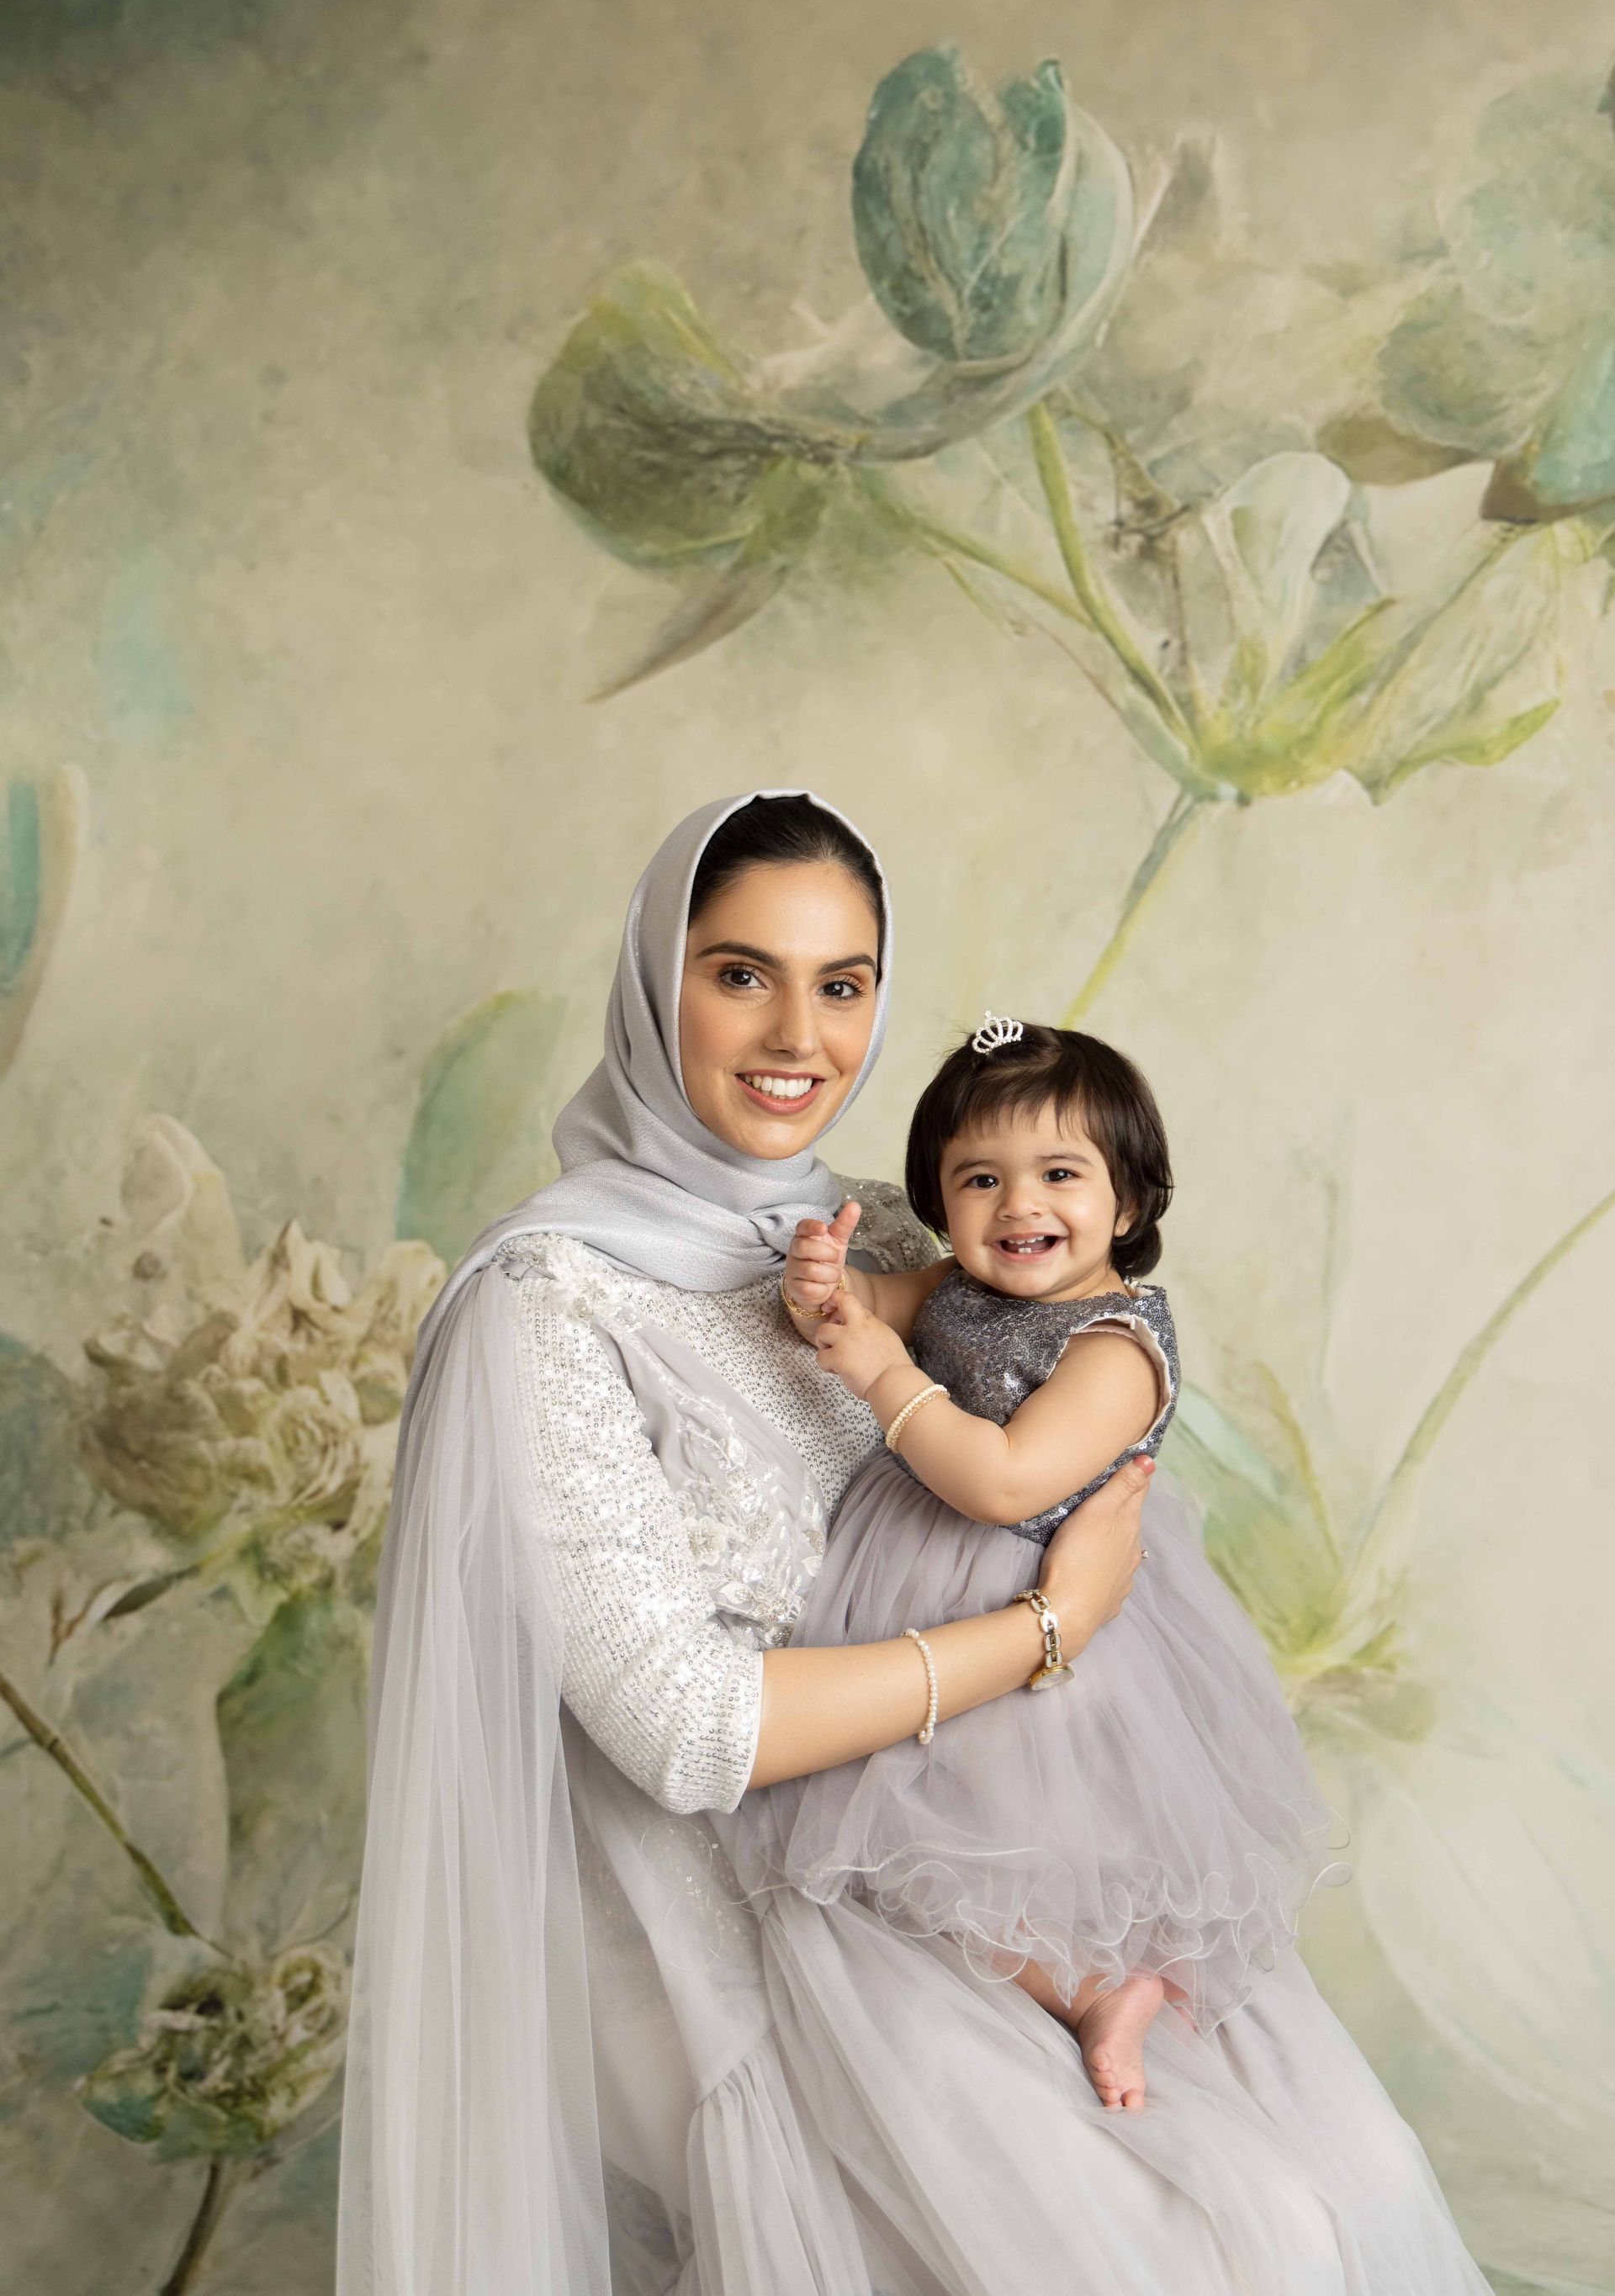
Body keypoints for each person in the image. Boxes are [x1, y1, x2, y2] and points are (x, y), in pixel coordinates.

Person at [336, 787, 1492, 2294]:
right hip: (757, 1920)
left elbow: (1075, 1441)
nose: (795, 1037)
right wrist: (1047, 1631)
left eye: (844, 984)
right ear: (650, 980)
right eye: (740, 972)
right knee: (1159, 2250)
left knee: (1330, 2185)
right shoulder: (549, 1304)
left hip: (1017, 1840)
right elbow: (689, 1732)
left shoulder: (895, 1231)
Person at [725, 1021, 1344, 2114]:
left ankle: (1100, 1985)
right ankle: (1022, 1994)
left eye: (1059, 1174)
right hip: (917, 1586)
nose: (1019, 1207)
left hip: (1031, 1599)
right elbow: (869, 1311)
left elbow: (1006, 1482)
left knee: (983, 1843)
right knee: (893, 1832)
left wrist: (878, 1375)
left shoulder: (1114, 1350)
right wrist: (827, 1292)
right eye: (980, 1179)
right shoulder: (961, 1288)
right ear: (940, 1201)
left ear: (1130, 1202)